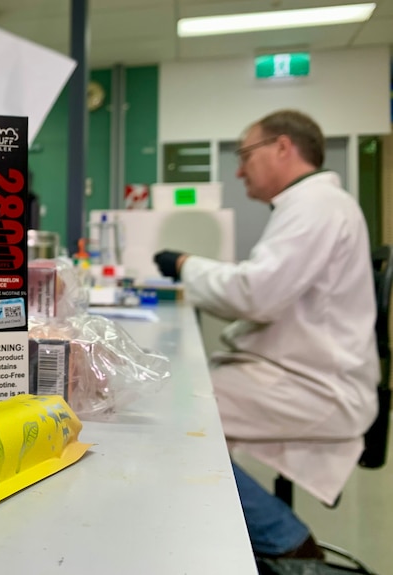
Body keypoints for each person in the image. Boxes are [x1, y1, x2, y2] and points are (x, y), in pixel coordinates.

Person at [153, 110, 379, 564]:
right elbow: (267, 287)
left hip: (317, 387)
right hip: (299, 374)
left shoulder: (317, 206)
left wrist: (185, 265)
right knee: (177, 396)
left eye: (244, 155)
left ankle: (287, 543)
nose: (238, 170)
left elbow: (256, 294)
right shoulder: (307, 206)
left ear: (282, 147)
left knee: (173, 416)